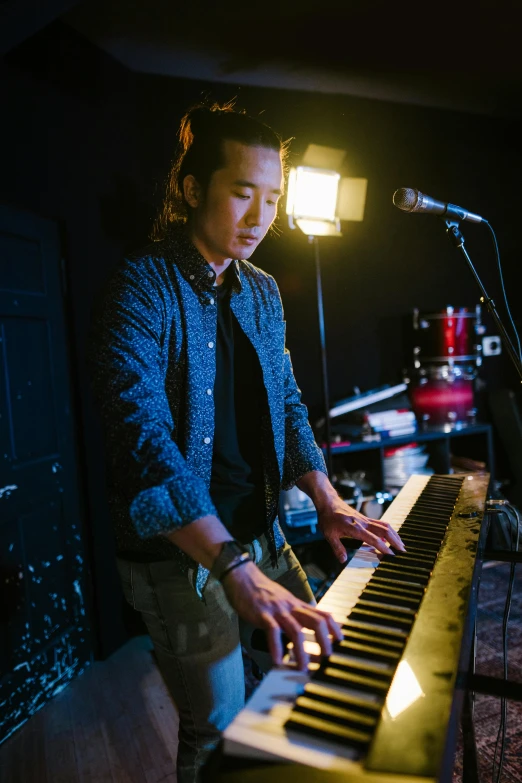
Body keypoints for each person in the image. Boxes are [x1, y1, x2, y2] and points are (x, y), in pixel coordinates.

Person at [89, 101, 405, 782]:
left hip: (260, 530)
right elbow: (141, 438)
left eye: (273, 198)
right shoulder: (140, 287)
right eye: (242, 192)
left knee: (320, 665)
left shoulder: (262, 291)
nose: (260, 216)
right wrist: (233, 568)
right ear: (193, 188)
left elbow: (287, 404)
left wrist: (326, 497)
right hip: (185, 556)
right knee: (219, 731)